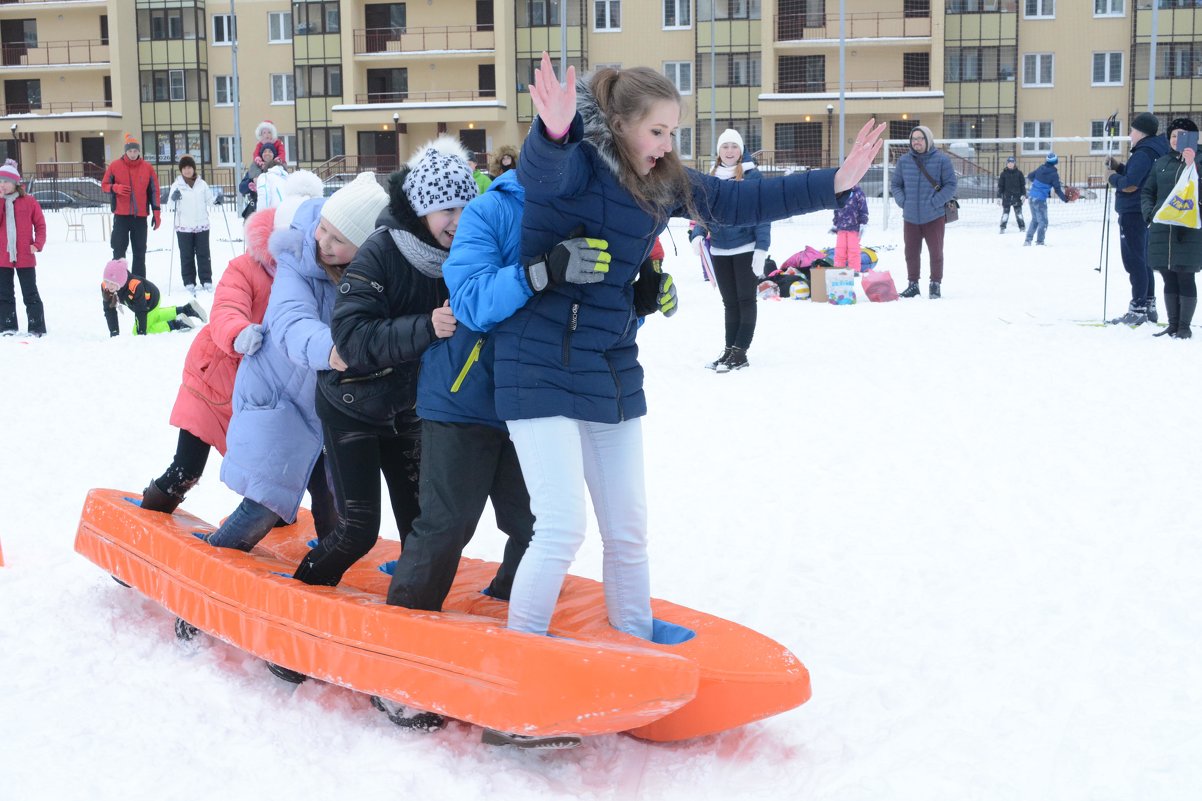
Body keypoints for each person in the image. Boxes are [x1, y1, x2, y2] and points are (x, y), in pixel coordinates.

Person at [485, 53, 880, 646]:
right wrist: (554, 130)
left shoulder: (662, 180)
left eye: (673, 133)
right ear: (619, 125)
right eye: (657, 131)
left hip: (609, 363)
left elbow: (738, 202)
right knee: (563, 527)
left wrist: (834, 183)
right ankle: (520, 662)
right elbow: (543, 174)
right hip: (536, 361)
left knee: (629, 529)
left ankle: (636, 645)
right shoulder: (576, 168)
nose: (666, 144)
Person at [290, 144, 473, 593]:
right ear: (422, 207)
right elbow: (350, 338)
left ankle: (411, 623)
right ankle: (298, 605)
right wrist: (425, 327)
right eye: (446, 208)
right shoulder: (381, 252)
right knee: (358, 530)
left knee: (424, 530)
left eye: (465, 207)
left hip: (408, 409)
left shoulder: (461, 258)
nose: (458, 219)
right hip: (351, 403)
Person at [140, 207, 280, 514]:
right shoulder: (244, 268)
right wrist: (239, 332)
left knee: (271, 476)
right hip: (213, 379)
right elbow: (226, 309)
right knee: (187, 469)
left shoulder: (306, 279)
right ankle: (150, 514)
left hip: (256, 393)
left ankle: (273, 529)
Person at [689, 128, 769, 372]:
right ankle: (729, 350)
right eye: (725, 146)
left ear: (741, 149)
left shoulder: (752, 177)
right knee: (729, 303)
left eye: (734, 146)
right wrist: (698, 234)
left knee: (745, 300)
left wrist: (761, 249)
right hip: (720, 250)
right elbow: (704, 212)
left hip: (746, 248)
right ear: (718, 151)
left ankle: (741, 352)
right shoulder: (711, 177)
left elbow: (763, 214)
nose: (730, 151)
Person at [1107, 112, 1171, 325]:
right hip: (1144, 210)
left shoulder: (1144, 152)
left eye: (1132, 130)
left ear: (1141, 132)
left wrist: (1113, 178)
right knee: (1144, 260)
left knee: (1134, 261)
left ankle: (1138, 308)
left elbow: (1131, 184)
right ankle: (1148, 305)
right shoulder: (1154, 149)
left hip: (1133, 212)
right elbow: (1138, 175)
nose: (1130, 134)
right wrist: (1119, 167)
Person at [1142, 117, 1201, 339]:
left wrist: (1191, 165)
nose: (1177, 139)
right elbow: (1148, 191)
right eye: (1174, 135)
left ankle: (1184, 327)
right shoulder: (1162, 162)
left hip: (1188, 230)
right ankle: (1172, 324)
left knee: (1185, 275)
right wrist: (1150, 214)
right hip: (1162, 229)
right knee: (1167, 275)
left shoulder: (1199, 161)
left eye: (1182, 135)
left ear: (1193, 138)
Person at [890, 125, 956, 299]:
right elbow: (896, 184)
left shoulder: (942, 160)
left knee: (936, 252)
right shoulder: (904, 161)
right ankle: (913, 285)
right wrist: (902, 201)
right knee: (910, 253)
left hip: (934, 216)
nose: (916, 142)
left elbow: (951, 185)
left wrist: (935, 202)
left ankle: (935, 284)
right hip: (910, 216)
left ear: (928, 140)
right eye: (914, 139)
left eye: (920, 138)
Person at [101, 134, 161, 278]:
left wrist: (157, 213)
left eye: (135, 151)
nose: (133, 154)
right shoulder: (115, 166)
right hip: (121, 216)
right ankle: (118, 280)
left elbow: (154, 190)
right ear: (125, 151)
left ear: (139, 151)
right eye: (130, 151)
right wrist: (115, 188)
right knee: (119, 250)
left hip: (140, 217)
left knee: (140, 251)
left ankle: (139, 281)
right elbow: (104, 185)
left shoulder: (147, 168)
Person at [0, 159, 47, 337]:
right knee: (4, 295)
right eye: (0, 181)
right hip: (2, 256)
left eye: (6, 181)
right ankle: (7, 327)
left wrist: (37, 244)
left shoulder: (29, 201)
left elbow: (40, 225)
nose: (2, 185)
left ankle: (36, 327)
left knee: (30, 293)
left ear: (15, 183)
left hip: (25, 255)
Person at [101, 258, 206, 336]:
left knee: (137, 332)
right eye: (107, 281)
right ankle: (187, 309)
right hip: (144, 305)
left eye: (112, 283)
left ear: (121, 280)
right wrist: (114, 332)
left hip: (150, 301)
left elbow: (141, 311)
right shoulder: (106, 287)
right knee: (154, 317)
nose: (109, 286)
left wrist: (141, 332)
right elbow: (109, 309)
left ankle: (177, 323)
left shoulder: (134, 286)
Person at [168, 155, 215, 293]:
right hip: (184, 226)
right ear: (181, 170)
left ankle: (206, 279)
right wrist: (173, 198)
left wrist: (217, 200)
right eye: (184, 168)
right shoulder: (176, 185)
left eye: (189, 167)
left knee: (203, 253)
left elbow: (210, 200)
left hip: (202, 225)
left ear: (193, 168)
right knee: (186, 254)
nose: (187, 170)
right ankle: (189, 281)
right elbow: (171, 205)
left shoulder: (202, 184)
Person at [1024, 152, 1071, 249]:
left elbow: (1029, 176)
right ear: (1056, 161)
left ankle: (1028, 240)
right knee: (1043, 222)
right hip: (1040, 199)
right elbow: (1057, 190)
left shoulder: (1041, 168)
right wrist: (1065, 199)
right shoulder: (1054, 174)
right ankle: (1040, 242)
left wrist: (1038, 183)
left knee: (1035, 220)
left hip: (1031, 197)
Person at [832, 183, 869, 272]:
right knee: (840, 250)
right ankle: (838, 270)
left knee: (853, 251)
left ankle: (854, 271)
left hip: (854, 228)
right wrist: (835, 223)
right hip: (841, 228)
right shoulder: (839, 192)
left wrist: (863, 223)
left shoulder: (858, 194)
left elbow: (863, 209)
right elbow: (836, 209)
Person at [997, 156, 1026, 234]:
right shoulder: (1003, 174)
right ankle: (1002, 228)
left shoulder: (1019, 173)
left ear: (1014, 164)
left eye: (1012, 163)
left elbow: (1022, 185)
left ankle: (1022, 227)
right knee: (1005, 214)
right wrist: (999, 197)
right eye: (1009, 163)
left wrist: (1023, 194)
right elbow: (1001, 186)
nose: (1010, 164)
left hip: (1017, 197)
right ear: (1007, 164)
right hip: (1007, 197)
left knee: (1019, 214)